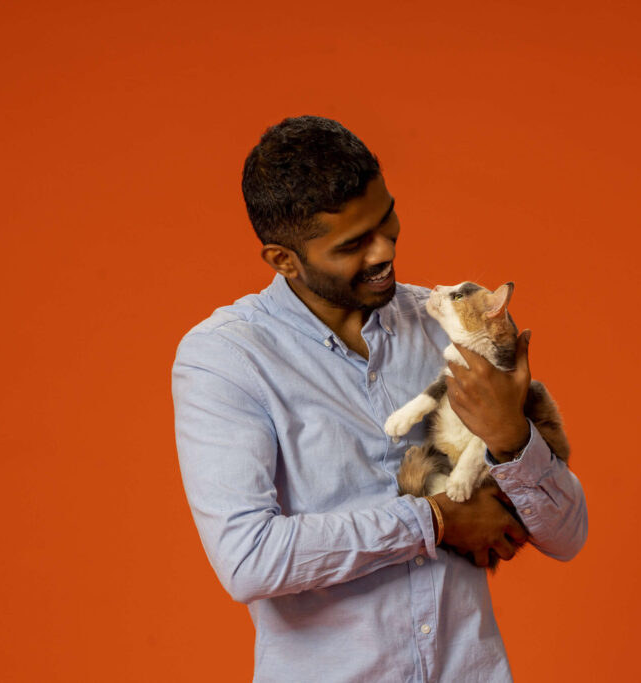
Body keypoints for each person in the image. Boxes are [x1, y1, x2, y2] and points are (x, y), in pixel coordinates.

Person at [172, 115, 588, 682]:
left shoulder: (445, 324)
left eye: (387, 220)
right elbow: (249, 559)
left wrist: (513, 438)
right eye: (353, 244)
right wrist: (435, 520)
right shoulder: (227, 359)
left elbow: (569, 535)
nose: (385, 250)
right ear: (283, 259)